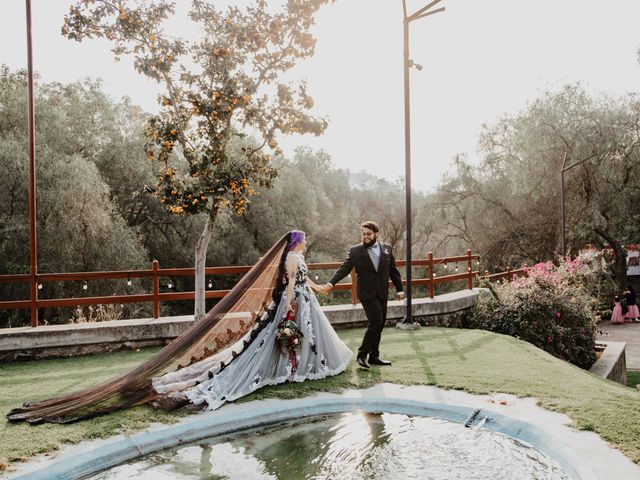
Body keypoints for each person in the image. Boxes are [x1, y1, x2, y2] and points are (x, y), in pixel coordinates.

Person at [8, 231, 352, 423]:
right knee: (264, 346)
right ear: (296, 244)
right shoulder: (292, 259)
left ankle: (299, 369)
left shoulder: (298, 258)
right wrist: (289, 309)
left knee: (305, 342)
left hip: (307, 302)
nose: (304, 244)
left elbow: (306, 282)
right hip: (295, 306)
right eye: (302, 241)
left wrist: (319, 289)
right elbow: (291, 285)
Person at [322, 221, 404, 369]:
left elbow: (393, 271)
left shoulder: (387, 249)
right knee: (377, 322)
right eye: (363, 233)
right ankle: (362, 354)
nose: (365, 236)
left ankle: (374, 356)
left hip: (382, 292)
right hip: (367, 293)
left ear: (376, 234)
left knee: (380, 324)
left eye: (369, 234)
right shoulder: (355, 251)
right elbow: (344, 269)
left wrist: (400, 289)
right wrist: (331, 283)